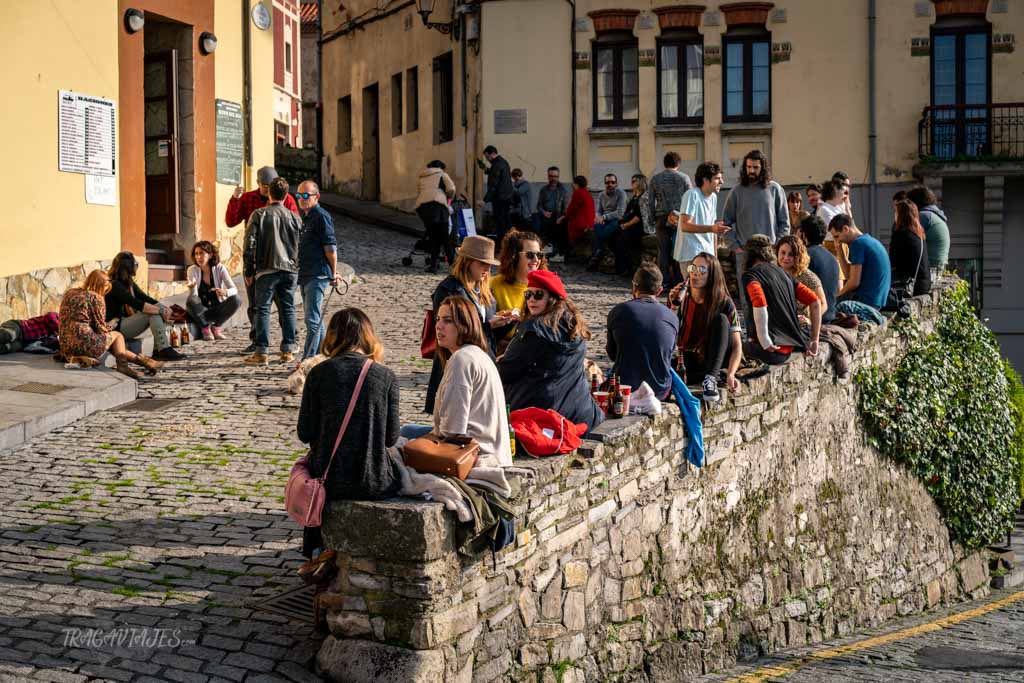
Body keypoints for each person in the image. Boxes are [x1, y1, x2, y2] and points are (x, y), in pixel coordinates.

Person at [296, 307, 400, 559]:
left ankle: (317, 555)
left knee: (313, 467)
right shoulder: (385, 376)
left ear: (332, 337)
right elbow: (390, 438)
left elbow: (305, 431)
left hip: (329, 479)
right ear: (367, 337)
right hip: (373, 479)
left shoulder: (318, 374)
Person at [402, 296, 512, 468]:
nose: (438, 326)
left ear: (465, 326)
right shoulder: (475, 353)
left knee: (404, 437)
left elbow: (453, 429)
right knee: (408, 431)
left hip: (474, 453)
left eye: (448, 321)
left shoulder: (462, 360)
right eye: (438, 319)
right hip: (490, 447)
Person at [498, 270, 604, 432]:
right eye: (528, 295)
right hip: (581, 413)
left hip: (545, 417)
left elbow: (505, 372)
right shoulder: (573, 325)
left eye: (539, 294)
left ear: (552, 298)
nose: (531, 300)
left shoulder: (535, 331)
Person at [425, 236, 505, 414]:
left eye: (489, 265)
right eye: (482, 264)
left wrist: (504, 323)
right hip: (456, 363)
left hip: (482, 361)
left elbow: (488, 332)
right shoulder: (449, 289)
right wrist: (489, 325)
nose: (487, 269)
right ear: (468, 262)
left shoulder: (485, 292)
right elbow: (451, 331)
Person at [225, 165, 300, 354]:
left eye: (271, 185)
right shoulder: (249, 199)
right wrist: (235, 199)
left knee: (282, 306)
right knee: (257, 306)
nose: (268, 189)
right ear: (258, 183)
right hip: (260, 262)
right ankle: (259, 340)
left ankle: (285, 343)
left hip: (274, 263)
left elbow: (295, 234)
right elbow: (231, 221)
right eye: (264, 185)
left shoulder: (286, 201)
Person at [666, 253, 742, 401]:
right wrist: (673, 307)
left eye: (702, 270)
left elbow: (737, 346)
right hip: (687, 359)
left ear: (712, 275)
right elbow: (668, 336)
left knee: (721, 320)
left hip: (714, 356)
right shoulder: (680, 297)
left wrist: (732, 374)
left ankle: (711, 379)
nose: (695, 273)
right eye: (693, 268)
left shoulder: (724, 302)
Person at [61, 269, 163, 378]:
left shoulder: (70, 293)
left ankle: (146, 362)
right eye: (105, 288)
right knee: (117, 336)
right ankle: (123, 366)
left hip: (66, 345)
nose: (105, 292)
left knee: (110, 341)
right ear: (100, 285)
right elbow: (101, 329)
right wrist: (112, 323)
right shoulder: (96, 298)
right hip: (83, 345)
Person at [243, 176, 302, 365]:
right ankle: (288, 350)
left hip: (266, 268)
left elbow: (249, 244)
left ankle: (261, 352)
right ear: (286, 196)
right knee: (288, 308)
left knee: (262, 309)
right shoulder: (295, 217)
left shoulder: (259, 215)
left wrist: (248, 270)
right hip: (290, 270)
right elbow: (301, 244)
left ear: (269, 193)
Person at [722, 150, 789, 312]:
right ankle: (751, 335)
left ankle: (771, 333)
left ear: (763, 168)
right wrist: (735, 246)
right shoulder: (736, 192)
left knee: (772, 293)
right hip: (744, 252)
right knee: (747, 296)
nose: (751, 171)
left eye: (755, 167)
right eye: (748, 167)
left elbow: (784, 223)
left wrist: (777, 246)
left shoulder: (775, 189)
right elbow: (725, 223)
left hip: (770, 252)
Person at [740, 235, 821, 366]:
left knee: (734, 347)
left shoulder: (751, 275)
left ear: (748, 255)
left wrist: (765, 341)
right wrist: (814, 339)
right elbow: (815, 301)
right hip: (788, 350)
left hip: (770, 351)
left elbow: (759, 302)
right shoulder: (784, 274)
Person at [606, 264, 678, 401]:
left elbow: (612, 353)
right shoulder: (672, 317)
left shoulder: (618, 311)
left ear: (634, 287)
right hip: (660, 390)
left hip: (626, 388)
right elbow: (668, 354)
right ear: (659, 291)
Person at [105, 252, 183, 361]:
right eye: (135, 264)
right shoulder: (115, 285)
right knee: (152, 313)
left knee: (155, 312)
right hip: (116, 327)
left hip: (125, 323)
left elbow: (144, 298)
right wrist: (161, 310)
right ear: (128, 267)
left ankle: (160, 350)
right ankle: (163, 349)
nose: (136, 267)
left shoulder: (128, 282)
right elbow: (136, 303)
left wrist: (164, 308)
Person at [296, 180, 342, 359]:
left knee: (312, 320)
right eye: (299, 195)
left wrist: (334, 271)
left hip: (318, 273)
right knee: (316, 319)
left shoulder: (321, 216)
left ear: (316, 197)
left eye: (306, 195)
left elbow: (330, 247)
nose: (302, 199)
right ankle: (321, 356)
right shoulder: (307, 216)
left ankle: (307, 360)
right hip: (307, 273)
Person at [670, 162, 730, 278]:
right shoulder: (692, 195)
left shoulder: (713, 197)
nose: (722, 182)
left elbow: (712, 231)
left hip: (707, 255)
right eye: (717, 178)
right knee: (694, 292)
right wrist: (712, 228)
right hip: (690, 256)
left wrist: (715, 259)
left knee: (706, 294)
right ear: (705, 180)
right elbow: (685, 225)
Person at [490, 230, 546, 349]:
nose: (536, 260)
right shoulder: (494, 285)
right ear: (514, 256)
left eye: (539, 255)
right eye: (530, 255)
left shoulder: (546, 286)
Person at [649, 152, 694, 287]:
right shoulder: (684, 178)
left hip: (661, 216)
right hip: (679, 217)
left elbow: (650, 201)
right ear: (678, 164)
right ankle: (679, 280)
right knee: (678, 248)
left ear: (665, 163)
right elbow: (691, 199)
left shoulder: (655, 179)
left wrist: (651, 219)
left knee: (663, 250)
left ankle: (664, 281)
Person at [831, 214, 891, 311]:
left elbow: (854, 282)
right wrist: (840, 251)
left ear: (846, 229)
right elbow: (849, 275)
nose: (837, 241)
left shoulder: (857, 244)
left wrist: (838, 295)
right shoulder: (868, 240)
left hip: (867, 302)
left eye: (837, 236)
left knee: (830, 309)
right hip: (878, 301)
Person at [186, 241, 241, 341]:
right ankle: (205, 329)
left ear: (210, 255)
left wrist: (225, 292)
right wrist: (192, 288)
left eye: (202, 253)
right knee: (191, 300)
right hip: (201, 311)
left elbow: (234, 289)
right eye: (196, 254)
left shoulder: (220, 268)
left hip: (216, 309)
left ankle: (216, 327)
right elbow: (194, 296)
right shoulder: (192, 270)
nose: (198, 257)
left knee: (237, 300)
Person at [607, 174, 654, 277]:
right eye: (632, 181)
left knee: (621, 241)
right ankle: (624, 261)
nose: (632, 183)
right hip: (629, 224)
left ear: (640, 183)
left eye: (634, 181)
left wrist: (626, 225)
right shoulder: (634, 196)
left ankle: (622, 269)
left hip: (639, 226)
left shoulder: (644, 197)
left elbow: (639, 217)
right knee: (610, 237)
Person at [415, 160, 457, 273]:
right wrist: (449, 197)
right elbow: (451, 189)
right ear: (441, 167)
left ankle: (433, 266)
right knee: (445, 238)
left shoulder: (422, 177)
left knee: (433, 238)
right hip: (438, 206)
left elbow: (419, 192)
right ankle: (453, 266)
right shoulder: (442, 174)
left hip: (423, 208)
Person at [775, 235, 827, 323]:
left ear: (798, 256)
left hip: (800, 325)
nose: (786, 258)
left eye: (791, 254)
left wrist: (810, 320)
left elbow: (823, 304)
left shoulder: (808, 276)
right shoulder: (773, 272)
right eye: (783, 253)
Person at [800, 215, 839, 324]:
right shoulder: (833, 259)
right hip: (829, 317)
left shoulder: (804, 257)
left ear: (803, 235)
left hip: (812, 319)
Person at [890, 200, 932, 297]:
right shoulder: (919, 233)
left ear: (900, 215)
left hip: (911, 286)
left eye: (896, 212)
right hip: (924, 285)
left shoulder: (900, 234)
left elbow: (893, 263)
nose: (894, 215)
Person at [906, 186, 950, 275]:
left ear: (915, 203)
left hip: (929, 269)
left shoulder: (924, 216)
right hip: (937, 268)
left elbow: (906, 241)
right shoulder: (935, 215)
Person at [589, 174, 628, 271]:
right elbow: (598, 210)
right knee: (597, 226)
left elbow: (620, 213)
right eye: (607, 182)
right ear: (604, 184)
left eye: (612, 182)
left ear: (616, 183)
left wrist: (604, 217)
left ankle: (598, 253)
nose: (610, 184)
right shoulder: (601, 195)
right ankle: (599, 252)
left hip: (617, 220)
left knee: (602, 232)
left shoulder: (621, 193)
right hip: (604, 220)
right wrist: (598, 217)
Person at [481, 145, 514, 245]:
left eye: (487, 157)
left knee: (501, 223)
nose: (487, 159)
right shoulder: (503, 162)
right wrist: (488, 171)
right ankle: (510, 243)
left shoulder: (496, 165)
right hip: (507, 197)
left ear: (491, 154)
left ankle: (502, 245)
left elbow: (494, 184)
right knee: (506, 221)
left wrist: (485, 200)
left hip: (500, 198)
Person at [536, 166, 571, 260]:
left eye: (555, 176)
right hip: (546, 215)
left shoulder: (562, 190)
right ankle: (545, 247)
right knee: (535, 219)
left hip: (558, 216)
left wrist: (561, 217)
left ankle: (556, 251)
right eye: (551, 176)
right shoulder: (544, 190)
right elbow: (539, 205)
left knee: (556, 224)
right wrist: (544, 212)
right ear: (548, 176)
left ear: (558, 177)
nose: (553, 178)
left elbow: (566, 208)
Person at [560, 175, 595, 262]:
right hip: (589, 222)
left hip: (581, 224)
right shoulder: (587, 193)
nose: (572, 185)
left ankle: (562, 252)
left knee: (560, 225)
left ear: (576, 184)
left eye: (573, 183)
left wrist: (562, 217)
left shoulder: (578, 193)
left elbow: (571, 208)